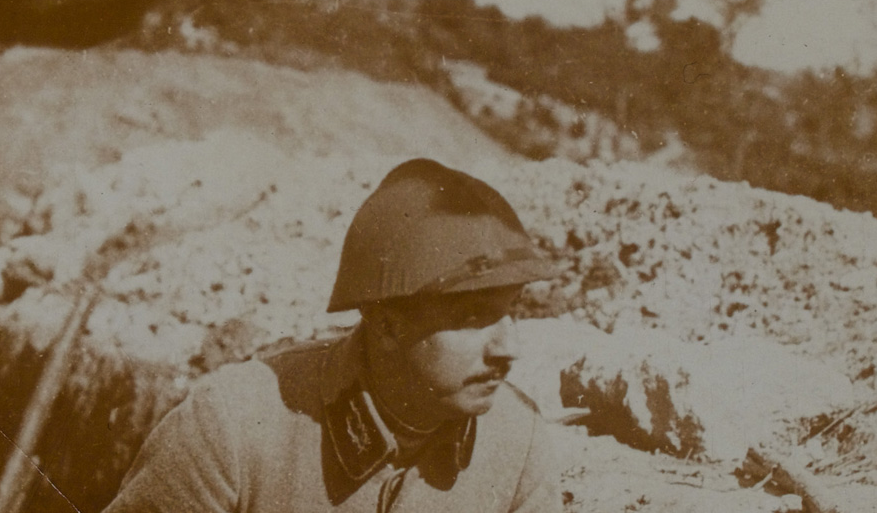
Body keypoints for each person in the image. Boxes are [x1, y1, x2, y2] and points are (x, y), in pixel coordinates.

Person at [105, 158, 564, 513]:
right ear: (387, 325)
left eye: (512, 312)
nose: (509, 349)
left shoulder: (518, 443)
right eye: (471, 318)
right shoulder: (234, 427)